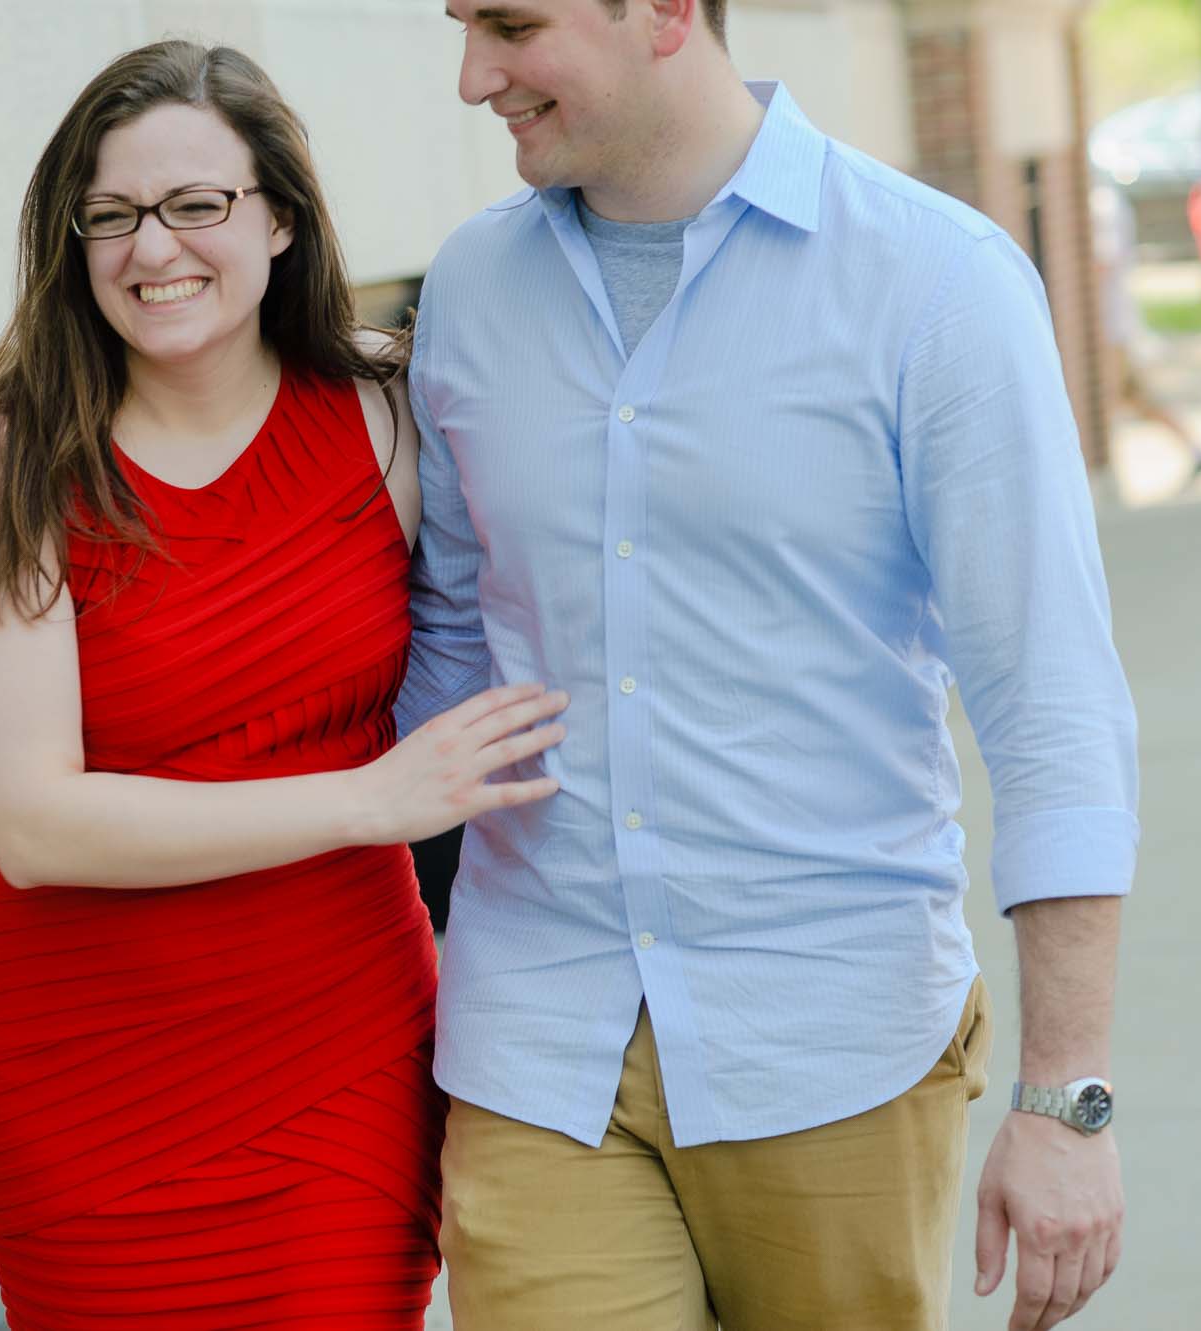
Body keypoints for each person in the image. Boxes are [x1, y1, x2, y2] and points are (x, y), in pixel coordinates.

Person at [401, 4, 1138, 1330]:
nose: (473, 78)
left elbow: (1053, 704)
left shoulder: (936, 279)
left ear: (669, 12)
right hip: (537, 1035)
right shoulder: (468, 288)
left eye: (511, 25)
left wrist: (1066, 1096)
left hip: (832, 1040)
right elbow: (446, 647)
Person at [0, 41, 566, 1330]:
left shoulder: (384, 412)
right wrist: (363, 800)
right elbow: (34, 825)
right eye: (109, 216)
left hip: (342, 1052)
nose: (151, 249)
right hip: (87, 1081)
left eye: (195, 204)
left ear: (277, 215)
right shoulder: (10, 464)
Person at [1091, 178, 1201, 484]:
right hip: (1112, 321)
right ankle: (1195, 448)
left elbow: (1103, 262)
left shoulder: (1101, 202)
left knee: (1116, 393)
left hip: (1109, 323)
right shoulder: (1104, 199)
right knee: (1132, 394)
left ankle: (1194, 448)